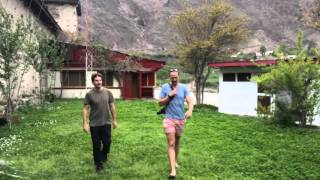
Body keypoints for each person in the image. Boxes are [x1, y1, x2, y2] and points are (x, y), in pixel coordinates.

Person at [158, 68, 193, 179]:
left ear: (178, 77)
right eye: (172, 77)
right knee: (171, 143)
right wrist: (169, 96)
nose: (174, 79)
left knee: (177, 142)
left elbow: (189, 100)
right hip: (169, 119)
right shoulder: (165, 87)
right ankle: (173, 170)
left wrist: (190, 110)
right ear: (170, 77)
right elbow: (159, 103)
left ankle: (175, 161)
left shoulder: (183, 87)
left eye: (175, 77)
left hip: (180, 119)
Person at [82, 73, 117, 172]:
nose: (99, 82)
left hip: (106, 122)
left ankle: (104, 154)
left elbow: (112, 106)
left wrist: (114, 120)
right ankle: (98, 164)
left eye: (100, 80)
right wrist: (84, 123)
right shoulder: (89, 94)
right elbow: (85, 109)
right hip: (94, 124)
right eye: (96, 80)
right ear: (93, 82)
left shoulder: (108, 92)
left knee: (107, 142)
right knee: (96, 145)